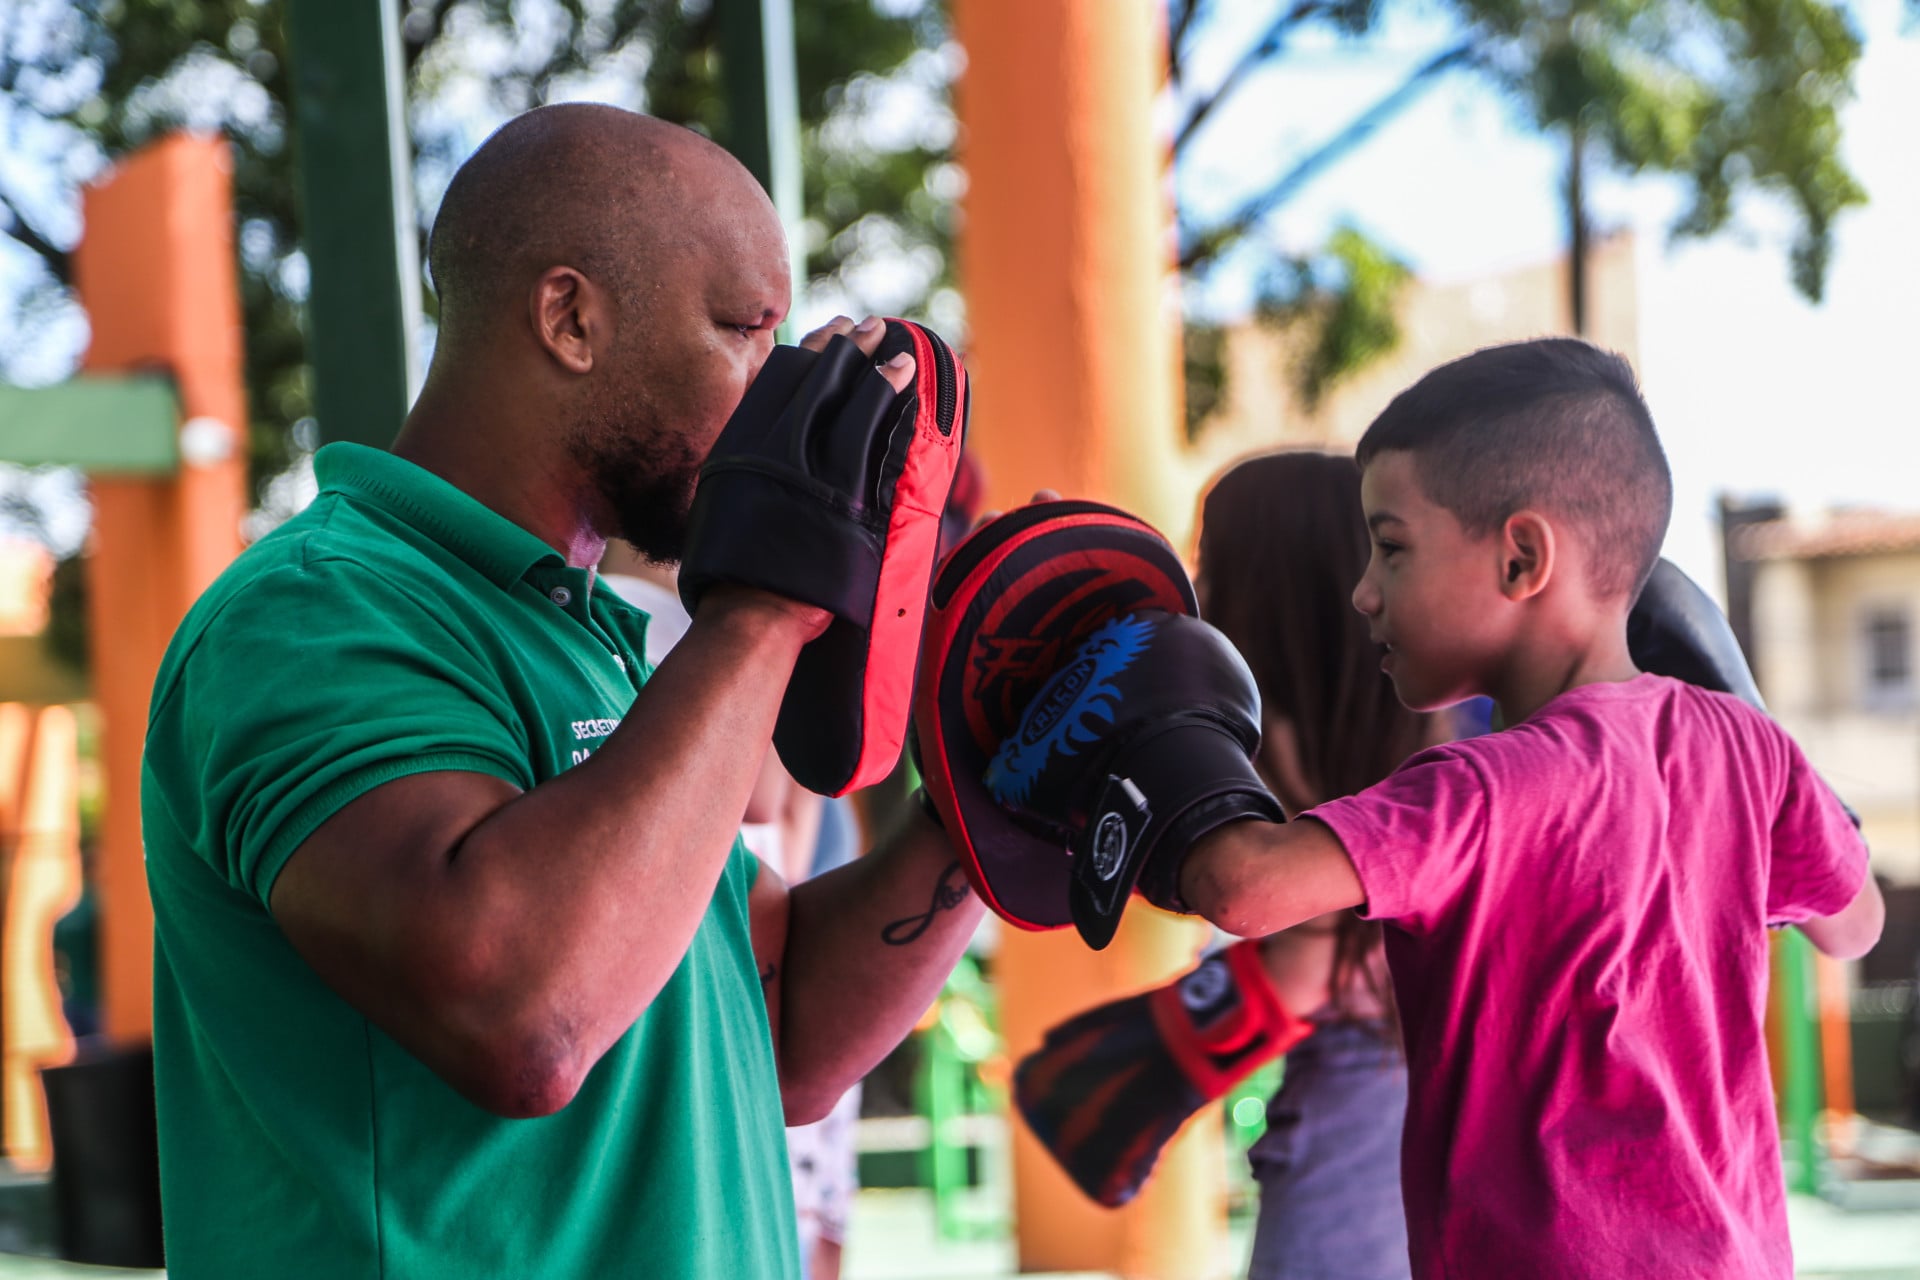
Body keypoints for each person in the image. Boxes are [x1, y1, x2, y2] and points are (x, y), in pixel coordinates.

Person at [140, 104, 984, 1279]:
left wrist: (981, 806)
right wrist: (764, 608)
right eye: (743, 329)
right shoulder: (312, 613)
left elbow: (774, 1024)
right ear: (571, 317)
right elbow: (524, 1016)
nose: (771, 394)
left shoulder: (589, 631)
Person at [998, 339, 1885, 1277]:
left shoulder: (1487, 787)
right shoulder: (1750, 751)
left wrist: (1120, 674)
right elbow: (1855, 923)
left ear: (1522, 557)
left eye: (1392, 548)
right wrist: (1743, 712)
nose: (1364, 592)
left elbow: (1244, 888)